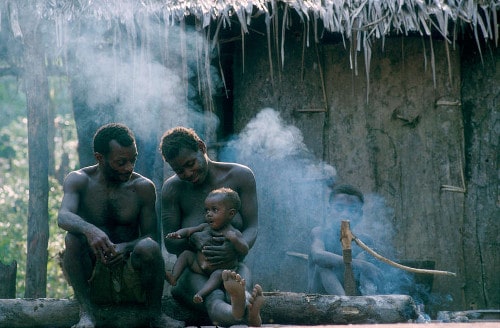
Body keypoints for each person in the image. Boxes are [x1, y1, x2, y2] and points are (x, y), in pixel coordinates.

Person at [57, 123, 183, 328]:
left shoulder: (143, 187)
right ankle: (87, 313)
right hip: (94, 275)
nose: (129, 167)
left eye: (133, 159)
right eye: (121, 162)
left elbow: (151, 238)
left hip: (131, 275)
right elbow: (63, 216)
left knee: (148, 247)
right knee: (72, 239)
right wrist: (91, 230)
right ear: (100, 158)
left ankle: (155, 315)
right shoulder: (79, 180)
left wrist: (125, 248)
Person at [160, 126, 264, 327]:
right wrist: (192, 238)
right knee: (213, 296)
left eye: (190, 164)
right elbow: (169, 243)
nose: (188, 173)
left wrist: (234, 246)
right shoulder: (172, 189)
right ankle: (246, 314)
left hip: (234, 264)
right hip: (195, 272)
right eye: (179, 170)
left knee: (239, 285)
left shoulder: (240, 176)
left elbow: (252, 227)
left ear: (201, 147)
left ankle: (242, 304)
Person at [166, 187, 249, 306]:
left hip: (219, 270)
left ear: (231, 214)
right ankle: (174, 277)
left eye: (214, 210)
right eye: (207, 210)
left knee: (218, 275)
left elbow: (244, 249)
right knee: (186, 255)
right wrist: (178, 234)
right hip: (199, 266)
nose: (209, 214)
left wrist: (235, 240)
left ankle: (201, 294)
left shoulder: (233, 233)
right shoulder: (205, 227)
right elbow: (189, 230)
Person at [308, 184, 383, 296]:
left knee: (366, 260)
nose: (345, 214)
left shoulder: (365, 240)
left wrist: (364, 264)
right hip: (319, 298)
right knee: (322, 265)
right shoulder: (320, 232)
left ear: (360, 215)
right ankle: (344, 303)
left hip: (355, 298)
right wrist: (359, 264)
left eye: (352, 210)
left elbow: (374, 274)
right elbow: (317, 255)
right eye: (339, 208)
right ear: (329, 211)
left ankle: (364, 302)